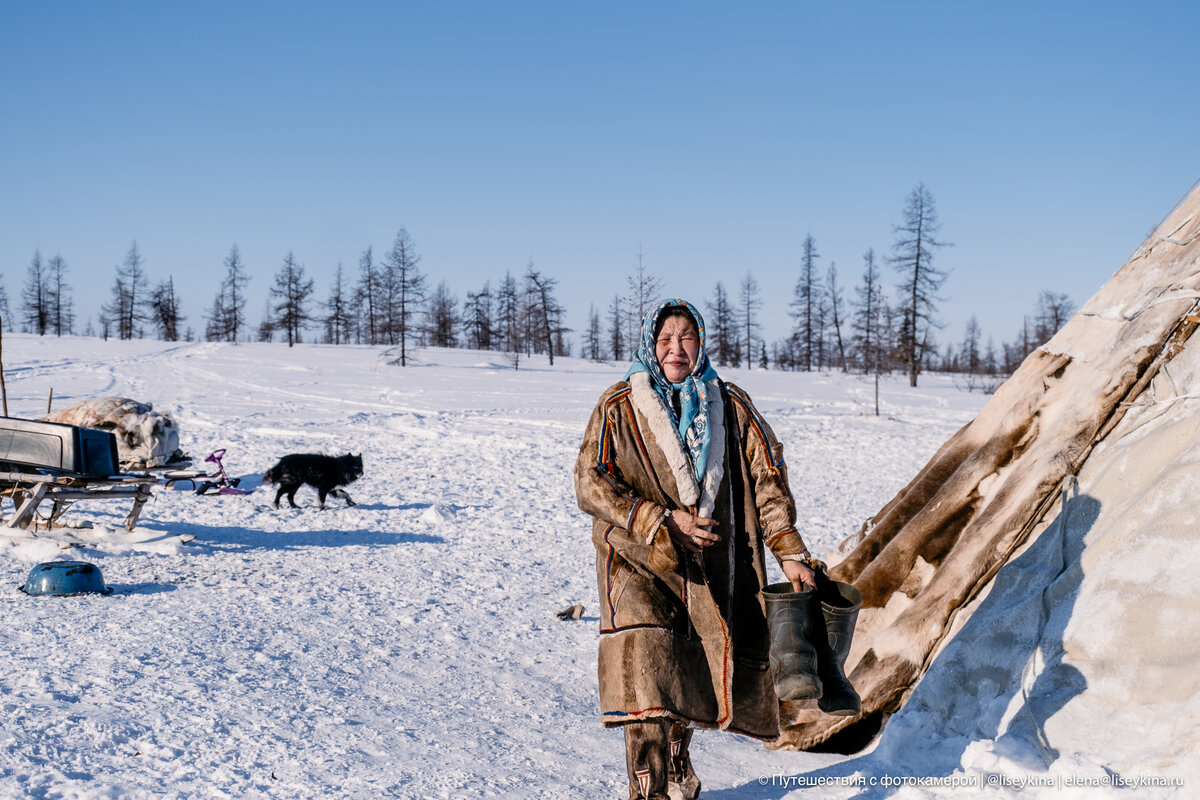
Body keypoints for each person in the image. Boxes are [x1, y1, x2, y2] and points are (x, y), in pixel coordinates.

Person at [575, 299, 817, 800]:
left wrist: (788, 550)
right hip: (636, 560)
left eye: (685, 337)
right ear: (650, 344)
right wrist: (656, 520)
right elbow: (589, 482)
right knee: (646, 669)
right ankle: (650, 790)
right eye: (665, 339)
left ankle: (678, 762)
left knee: (688, 668)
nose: (675, 348)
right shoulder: (618, 406)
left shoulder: (729, 405)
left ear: (700, 342)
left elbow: (766, 475)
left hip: (706, 569)